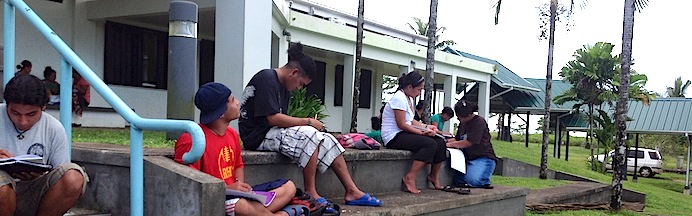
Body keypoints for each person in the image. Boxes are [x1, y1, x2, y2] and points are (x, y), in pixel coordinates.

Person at [239, 42, 383, 210]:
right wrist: (308, 121)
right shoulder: (267, 78)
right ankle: (311, 193)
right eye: (301, 84)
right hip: (257, 136)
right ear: (294, 72)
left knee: (327, 139)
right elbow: (273, 118)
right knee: (310, 134)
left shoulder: (283, 85)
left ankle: (352, 191)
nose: (298, 88)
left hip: (273, 132)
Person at [174, 82, 306, 216]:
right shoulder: (192, 139)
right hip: (218, 198)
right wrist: (228, 189)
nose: (237, 103)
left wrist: (240, 187)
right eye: (232, 100)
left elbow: (238, 165)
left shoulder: (232, 134)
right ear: (220, 113)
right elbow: (191, 183)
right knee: (241, 206)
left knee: (288, 187)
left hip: (236, 195)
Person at [0, 74, 89, 216]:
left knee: (74, 177)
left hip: (35, 195)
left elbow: (61, 175)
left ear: (44, 107)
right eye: (15, 113)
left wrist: (38, 175)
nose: (23, 121)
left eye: (31, 114)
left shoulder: (54, 128)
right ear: (6, 105)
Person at [381, 71, 447, 194]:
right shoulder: (399, 98)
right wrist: (422, 133)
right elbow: (402, 124)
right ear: (410, 87)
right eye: (419, 89)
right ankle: (410, 177)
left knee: (440, 141)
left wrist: (427, 127)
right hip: (393, 137)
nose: (420, 92)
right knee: (430, 144)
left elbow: (411, 121)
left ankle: (433, 176)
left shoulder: (408, 99)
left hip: (403, 133)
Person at [446, 100, 498, 189]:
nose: (458, 119)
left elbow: (469, 142)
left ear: (469, 115)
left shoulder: (479, 122)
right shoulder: (463, 123)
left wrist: (450, 145)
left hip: (483, 157)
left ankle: (484, 179)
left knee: (473, 181)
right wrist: (446, 141)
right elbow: (458, 138)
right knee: (458, 180)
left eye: (460, 117)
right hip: (467, 157)